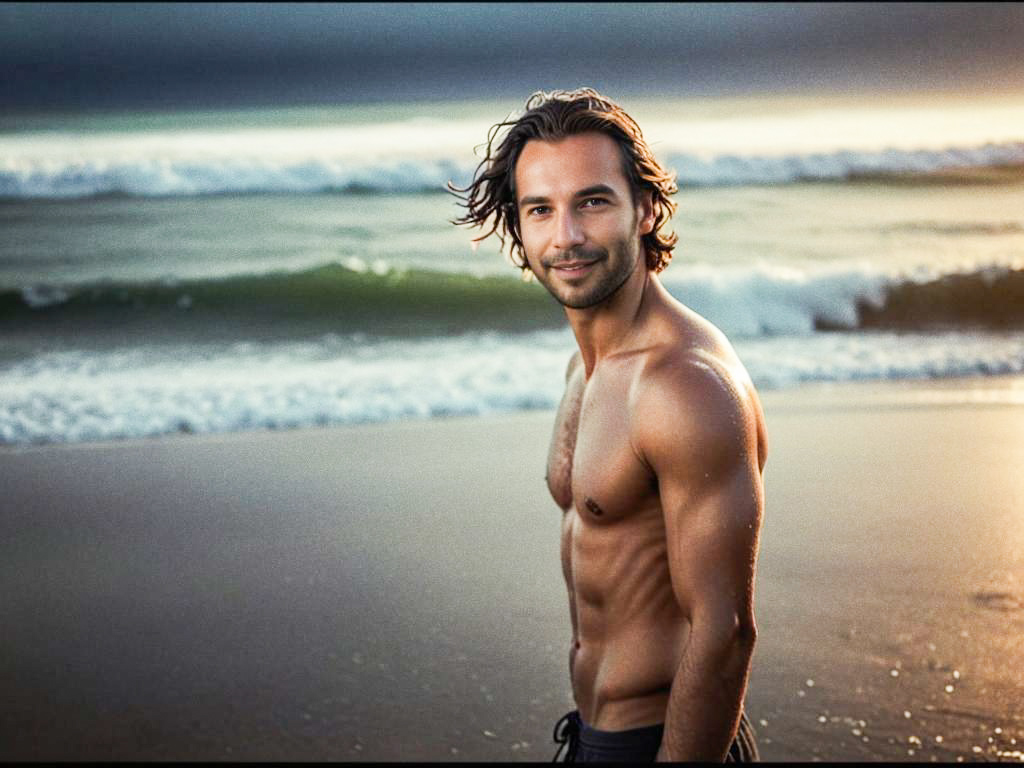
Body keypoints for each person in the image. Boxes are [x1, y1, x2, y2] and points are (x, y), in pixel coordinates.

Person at [450, 88, 767, 763]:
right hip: (595, 733)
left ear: (645, 208)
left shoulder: (681, 387)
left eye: (592, 202)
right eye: (540, 209)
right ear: (519, 227)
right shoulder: (586, 366)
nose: (564, 236)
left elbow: (726, 631)